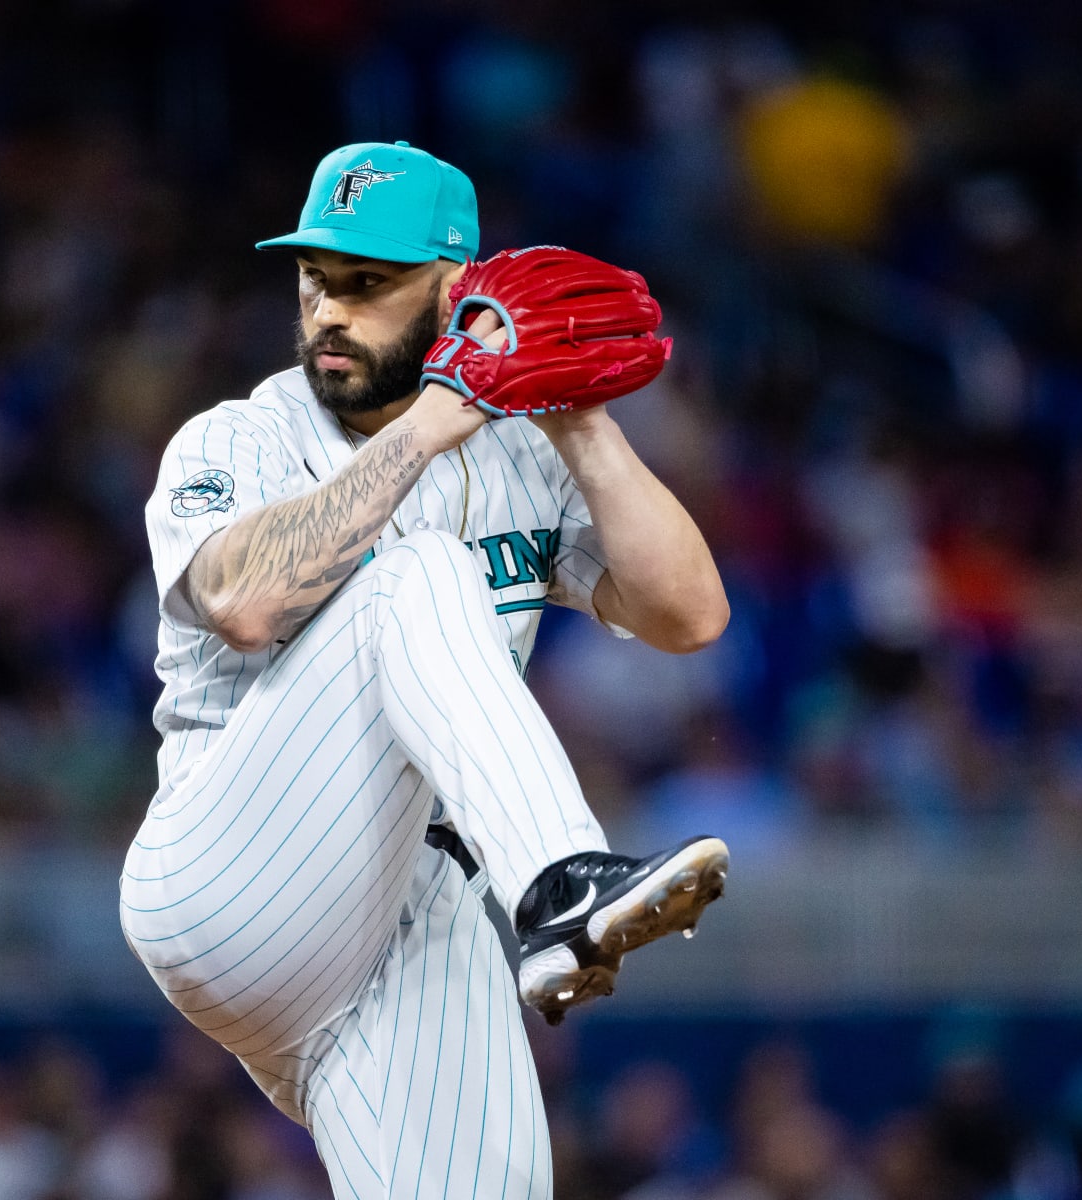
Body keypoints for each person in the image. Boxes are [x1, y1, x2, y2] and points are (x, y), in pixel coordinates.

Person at [119, 140, 731, 1199]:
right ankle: (559, 883)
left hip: (412, 903)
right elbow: (244, 601)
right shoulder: (237, 439)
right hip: (234, 860)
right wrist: (439, 420)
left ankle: (548, 895)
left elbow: (688, 613)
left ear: (456, 292)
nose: (330, 312)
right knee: (415, 573)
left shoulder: (519, 456)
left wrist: (578, 420)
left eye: (369, 284)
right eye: (316, 280)